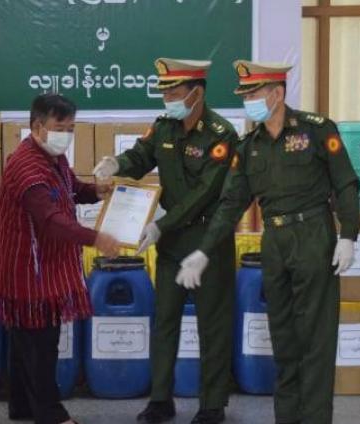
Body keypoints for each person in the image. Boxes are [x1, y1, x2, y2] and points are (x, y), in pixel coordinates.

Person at [177, 61, 360, 424]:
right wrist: (203, 251)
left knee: (316, 341)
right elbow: (231, 204)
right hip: (274, 243)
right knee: (284, 340)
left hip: (313, 237)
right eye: (245, 96)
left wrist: (349, 235)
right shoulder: (250, 146)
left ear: (277, 93)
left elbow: (345, 183)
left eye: (254, 94)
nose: (249, 102)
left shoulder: (317, 130)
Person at [93, 58, 239, 424]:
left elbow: (206, 192)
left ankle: (212, 405)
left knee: (213, 326)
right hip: (172, 243)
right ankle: (160, 400)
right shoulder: (164, 127)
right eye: (165, 93)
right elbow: (141, 156)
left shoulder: (221, 134)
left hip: (207, 242)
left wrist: (160, 224)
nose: (167, 100)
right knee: (165, 321)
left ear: (196, 93)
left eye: (174, 93)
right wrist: (117, 164)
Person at [0, 93, 120, 424]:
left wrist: (97, 191)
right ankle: (50, 415)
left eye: (71, 128)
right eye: (60, 127)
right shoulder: (26, 167)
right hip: (28, 271)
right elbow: (50, 220)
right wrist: (95, 238)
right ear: (38, 126)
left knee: (26, 344)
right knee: (39, 346)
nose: (66, 135)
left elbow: (70, 188)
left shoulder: (52, 157)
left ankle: (22, 406)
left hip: (41, 267)